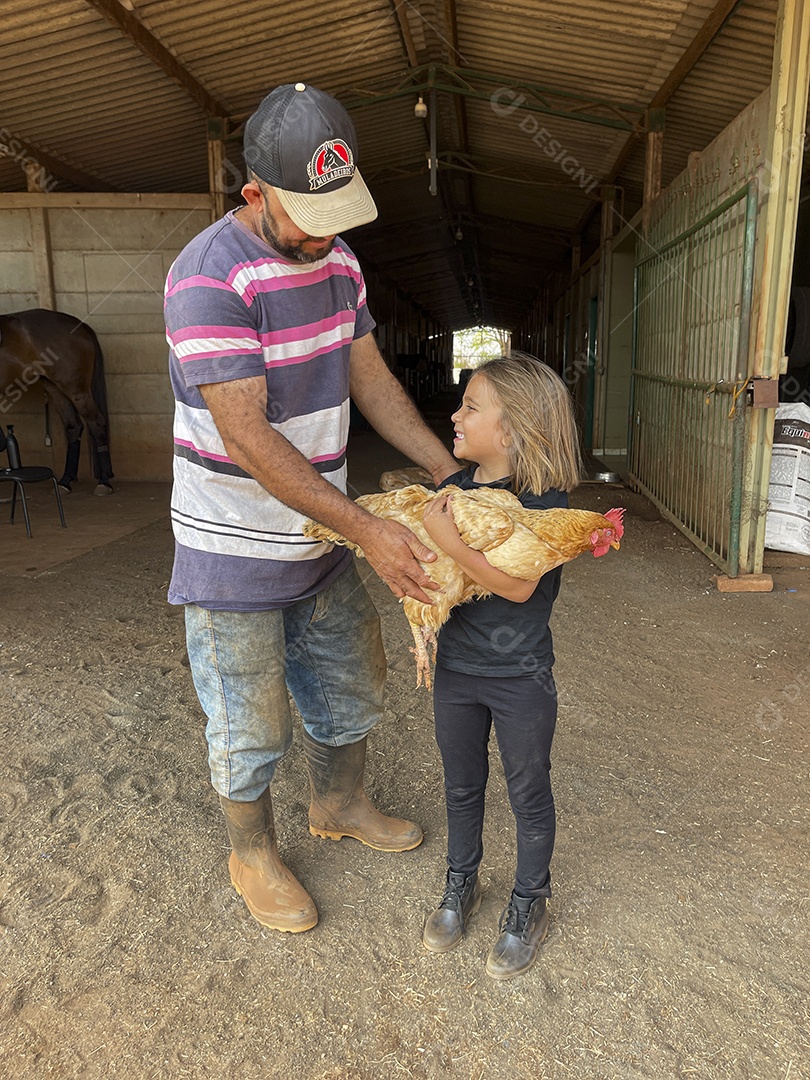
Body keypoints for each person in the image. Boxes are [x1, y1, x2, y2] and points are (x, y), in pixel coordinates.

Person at [165, 82, 457, 934]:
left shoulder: (338, 262)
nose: (324, 234)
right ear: (253, 192)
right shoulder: (206, 278)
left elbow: (370, 378)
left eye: (336, 213)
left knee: (349, 682)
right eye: (306, 215)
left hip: (319, 532)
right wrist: (369, 527)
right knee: (248, 711)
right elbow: (250, 440)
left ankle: (339, 803)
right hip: (235, 542)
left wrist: (447, 471)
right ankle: (251, 851)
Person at [419, 353, 582, 980]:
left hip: (519, 676)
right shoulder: (452, 492)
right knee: (461, 785)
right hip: (457, 670)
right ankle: (462, 881)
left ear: (511, 427)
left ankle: (530, 899)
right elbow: (438, 575)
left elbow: (518, 588)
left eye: (469, 407)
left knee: (527, 790)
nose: (455, 416)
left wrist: (450, 543)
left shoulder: (546, 506)